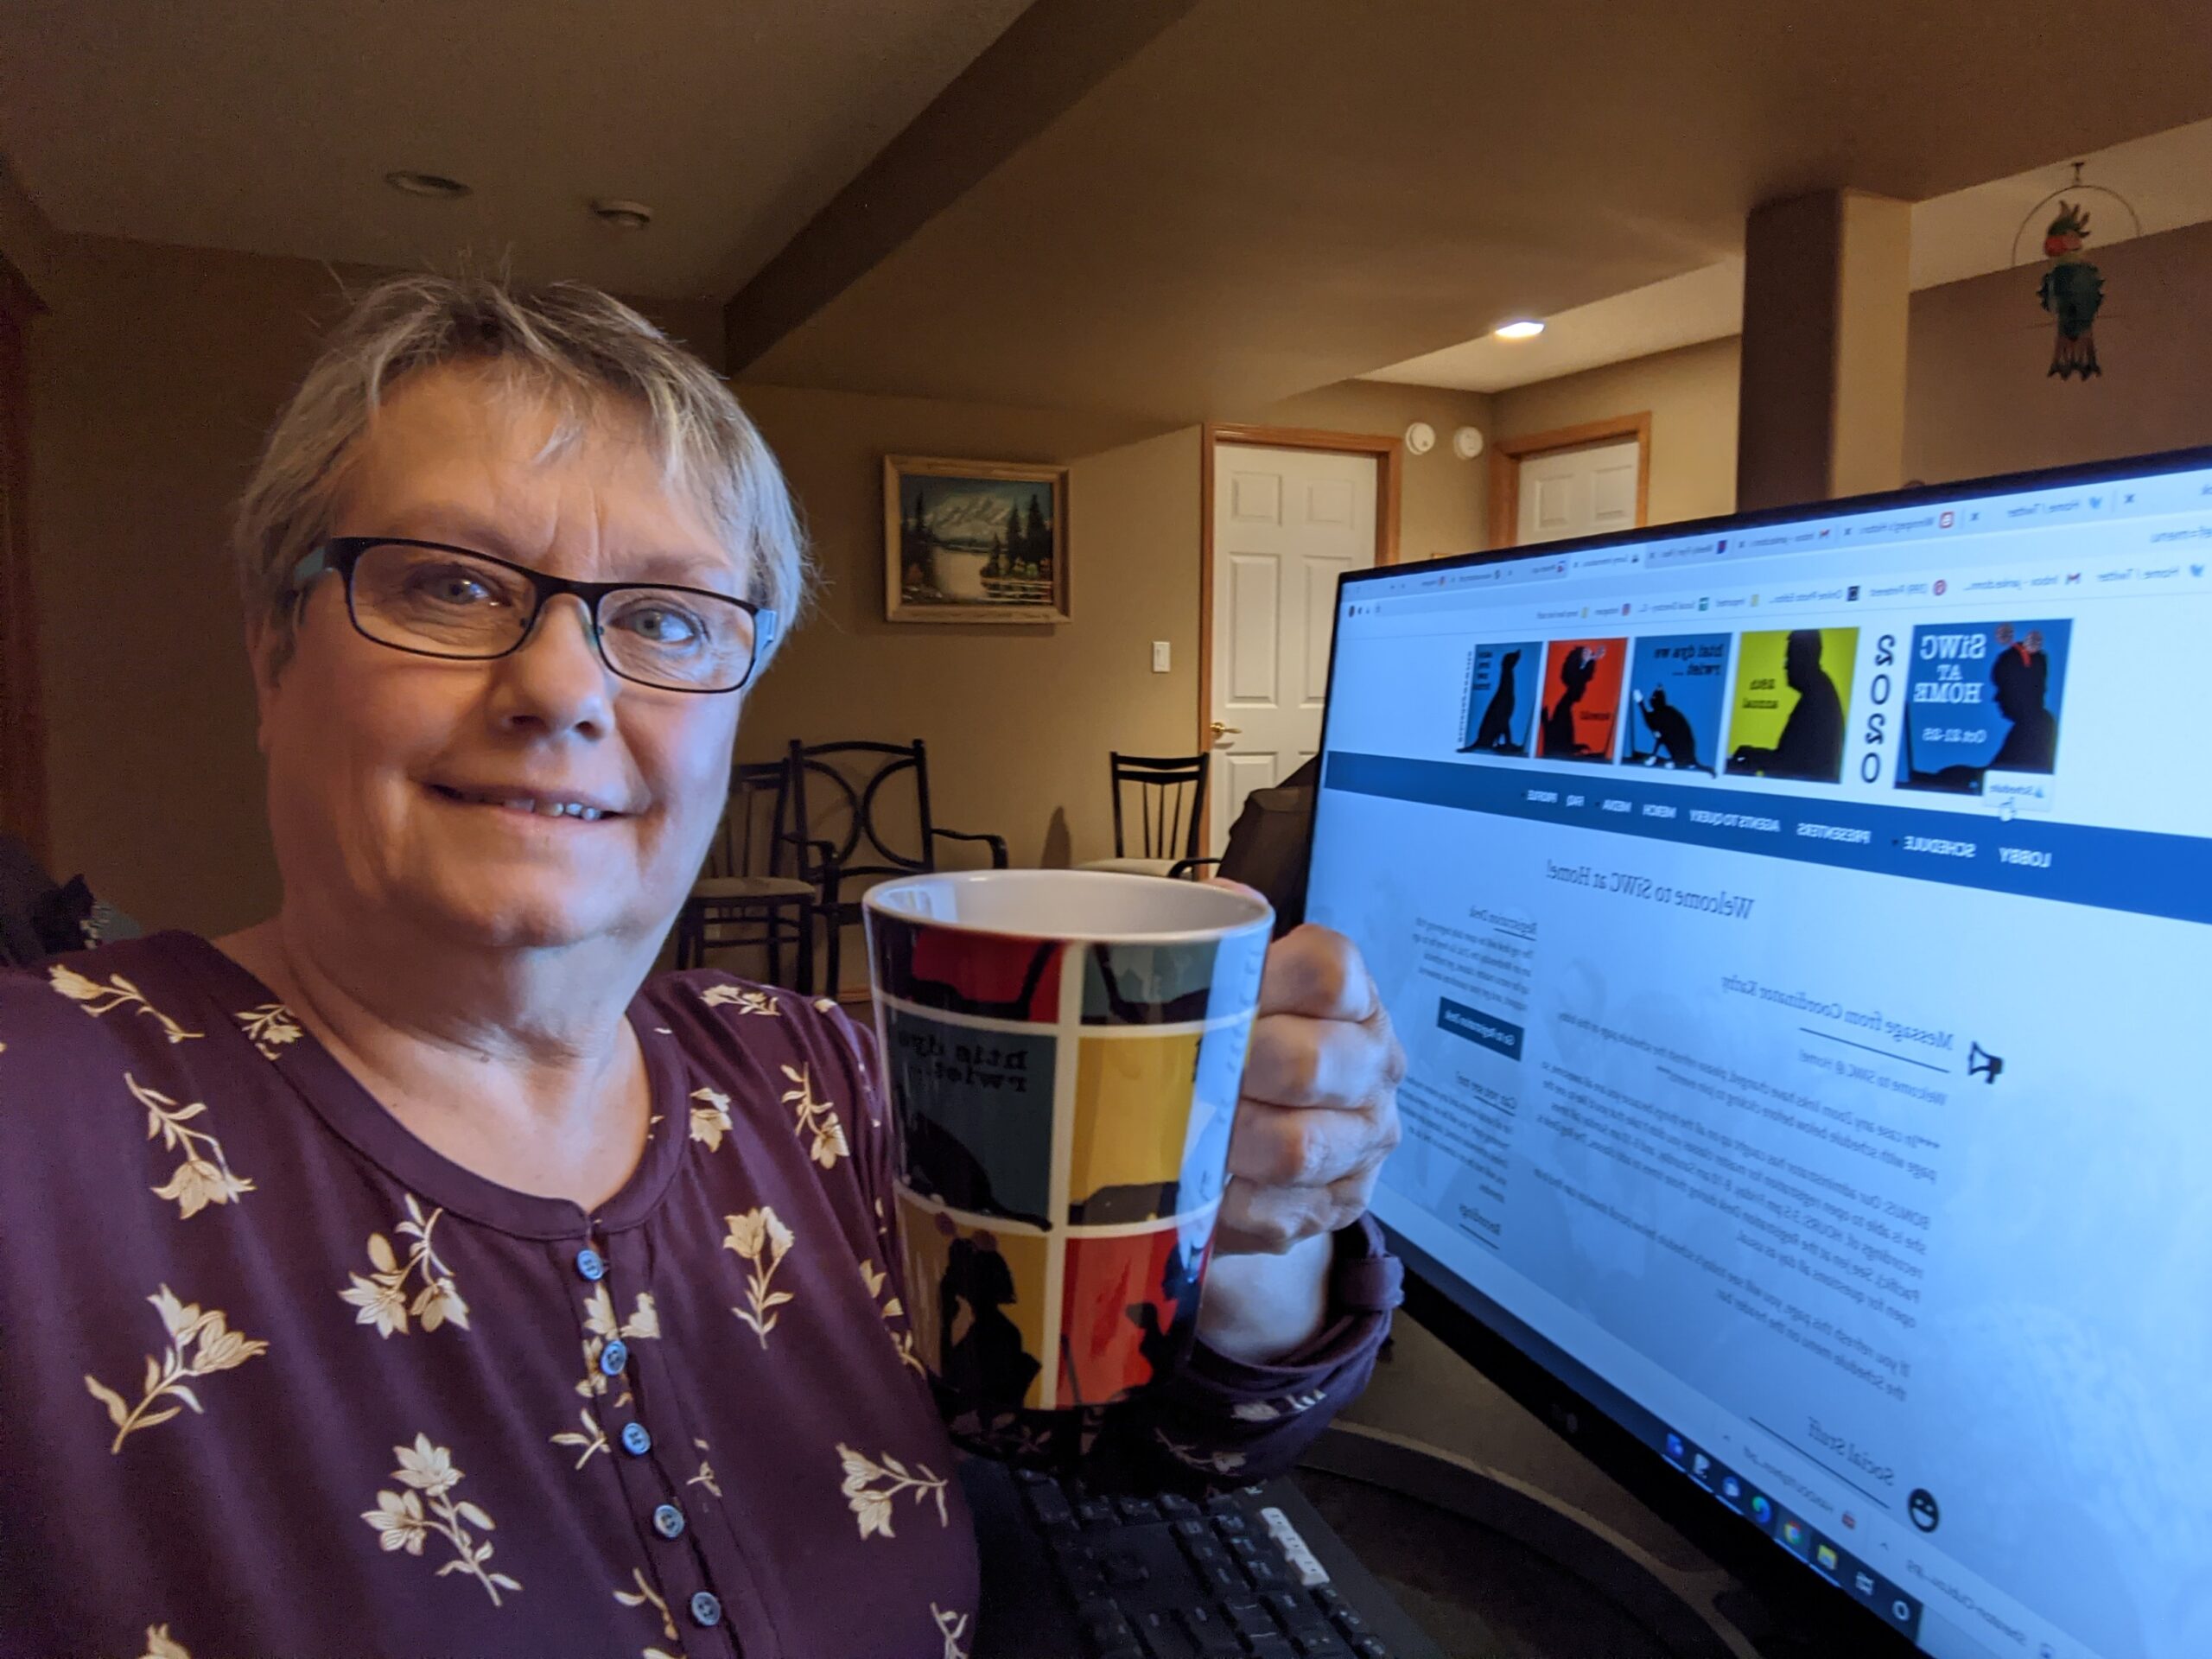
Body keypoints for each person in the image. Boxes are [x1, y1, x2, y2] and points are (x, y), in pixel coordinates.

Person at [0, 277, 1405, 1659]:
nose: (560, 689)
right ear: (272, 649)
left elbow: (1141, 1439)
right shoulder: (40, 1126)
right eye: (449, 583)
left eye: (667, 616)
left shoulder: (825, 1079)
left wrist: (1261, 1238)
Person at [1727, 629, 1845, 781]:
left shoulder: (1817, 699)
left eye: (1789, 658)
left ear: (1805, 658)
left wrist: (1753, 756)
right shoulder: (1819, 691)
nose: (1786, 667)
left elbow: (1791, 765)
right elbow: (1792, 759)